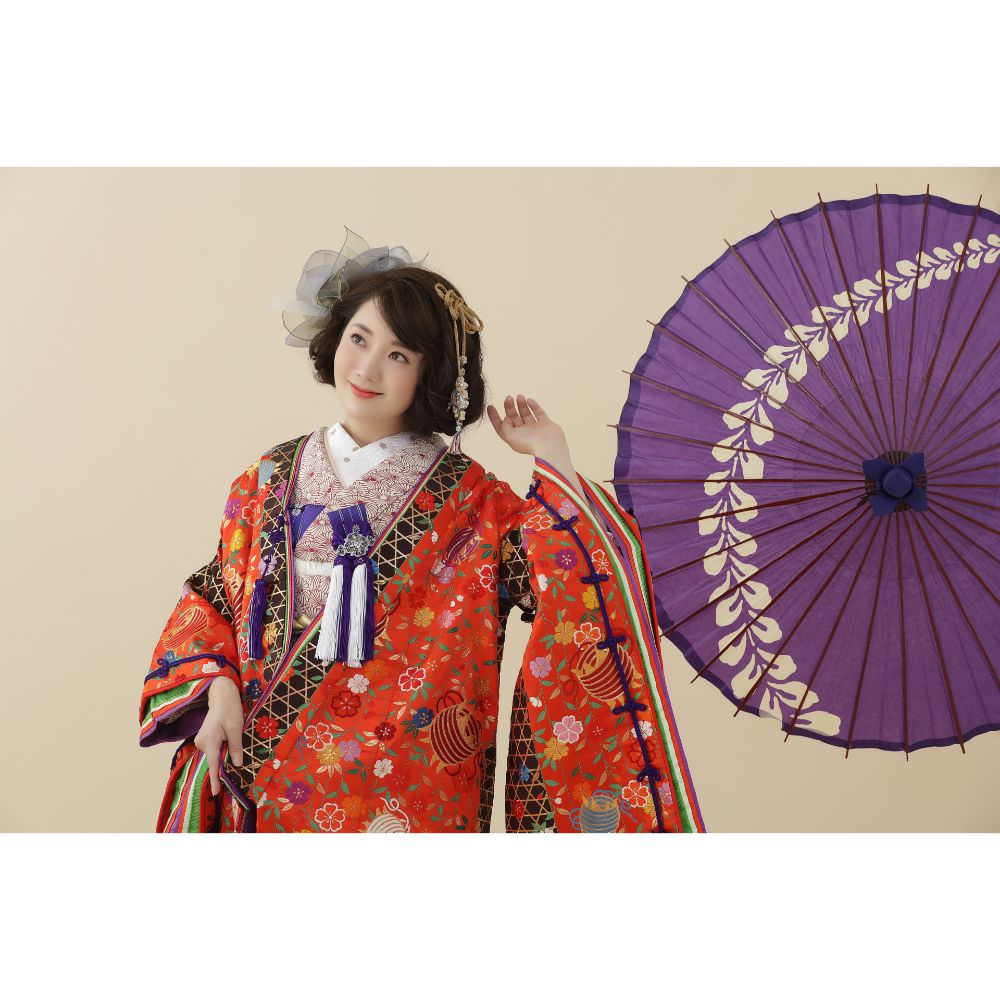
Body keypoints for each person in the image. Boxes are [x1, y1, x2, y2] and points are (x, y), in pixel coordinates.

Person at [139, 229, 705, 833]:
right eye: (359, 338)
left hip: (405, 788)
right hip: (257, 765)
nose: (367, 368)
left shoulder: (474, 500)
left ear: (431, 375)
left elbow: (571, 580)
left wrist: (554, 459)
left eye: (399, 355)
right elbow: (215, 595)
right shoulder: (268, 476)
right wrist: (217, 686)